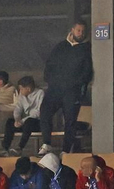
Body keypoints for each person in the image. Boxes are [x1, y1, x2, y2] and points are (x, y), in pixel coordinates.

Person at [40, 20, 94, 152]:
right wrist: (50, 80)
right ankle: (46, 144)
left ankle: (66, 149)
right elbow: (49, 64)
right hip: (55, 89)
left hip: (72, 92)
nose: (80, 33)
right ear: (72, 30)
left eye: (83, 31)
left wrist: (77, 85)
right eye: (78, 30)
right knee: (45, 112)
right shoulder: (60, 47)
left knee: (70, 121)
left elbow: (87, 71)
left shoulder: (87, 49)